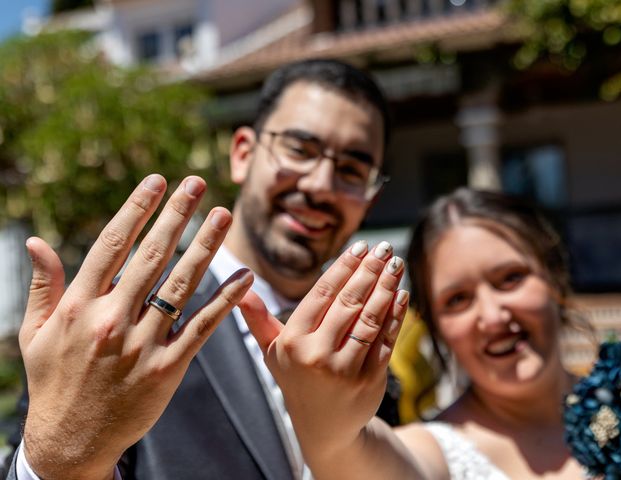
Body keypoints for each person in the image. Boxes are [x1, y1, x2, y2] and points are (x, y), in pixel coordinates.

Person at [6, 59, 405, 479]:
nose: (321, 184)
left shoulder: (369, 349)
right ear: (243, 155)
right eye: (300, 150)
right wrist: (59, 458)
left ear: (369, 199)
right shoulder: (120, 320)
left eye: (351, 170)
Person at [242, 188, 589, 479]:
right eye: (458, 299)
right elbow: (348, 456)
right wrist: (325, 422)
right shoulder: (430, 454)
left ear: (553, 275)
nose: (493, 316)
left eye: (510, 278)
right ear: (434, 325)